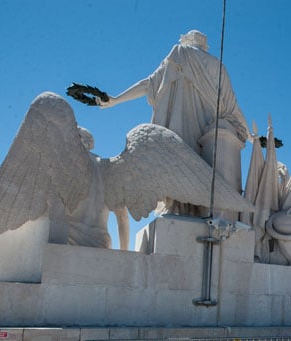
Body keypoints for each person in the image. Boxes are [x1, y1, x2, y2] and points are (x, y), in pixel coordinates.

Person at [98, 30, 248, 217]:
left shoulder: (179, 54)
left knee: (176, 164)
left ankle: (177, 206)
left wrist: (115, 100)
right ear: (204, 45)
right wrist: (249, 134)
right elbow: (232, 106)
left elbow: (148, 85)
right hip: (206, 135)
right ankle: (196, 209)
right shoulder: (218, 66)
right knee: (199, 171)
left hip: (178, 129)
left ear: (186, 40)